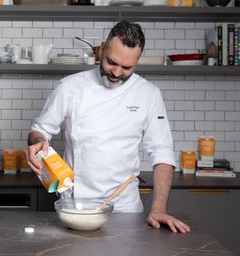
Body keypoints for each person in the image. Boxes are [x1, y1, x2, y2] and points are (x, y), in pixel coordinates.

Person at [27, 20, 190, 233]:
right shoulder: (70, 87)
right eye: (111, 62)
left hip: (125, 209)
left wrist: (159, 208)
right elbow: (39, 130)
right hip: (77, 206)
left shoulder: (149, 94)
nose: (116, 72)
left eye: (126, 67)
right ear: (101, 49)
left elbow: (162, 154)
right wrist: (38, 142)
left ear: (137, 61)